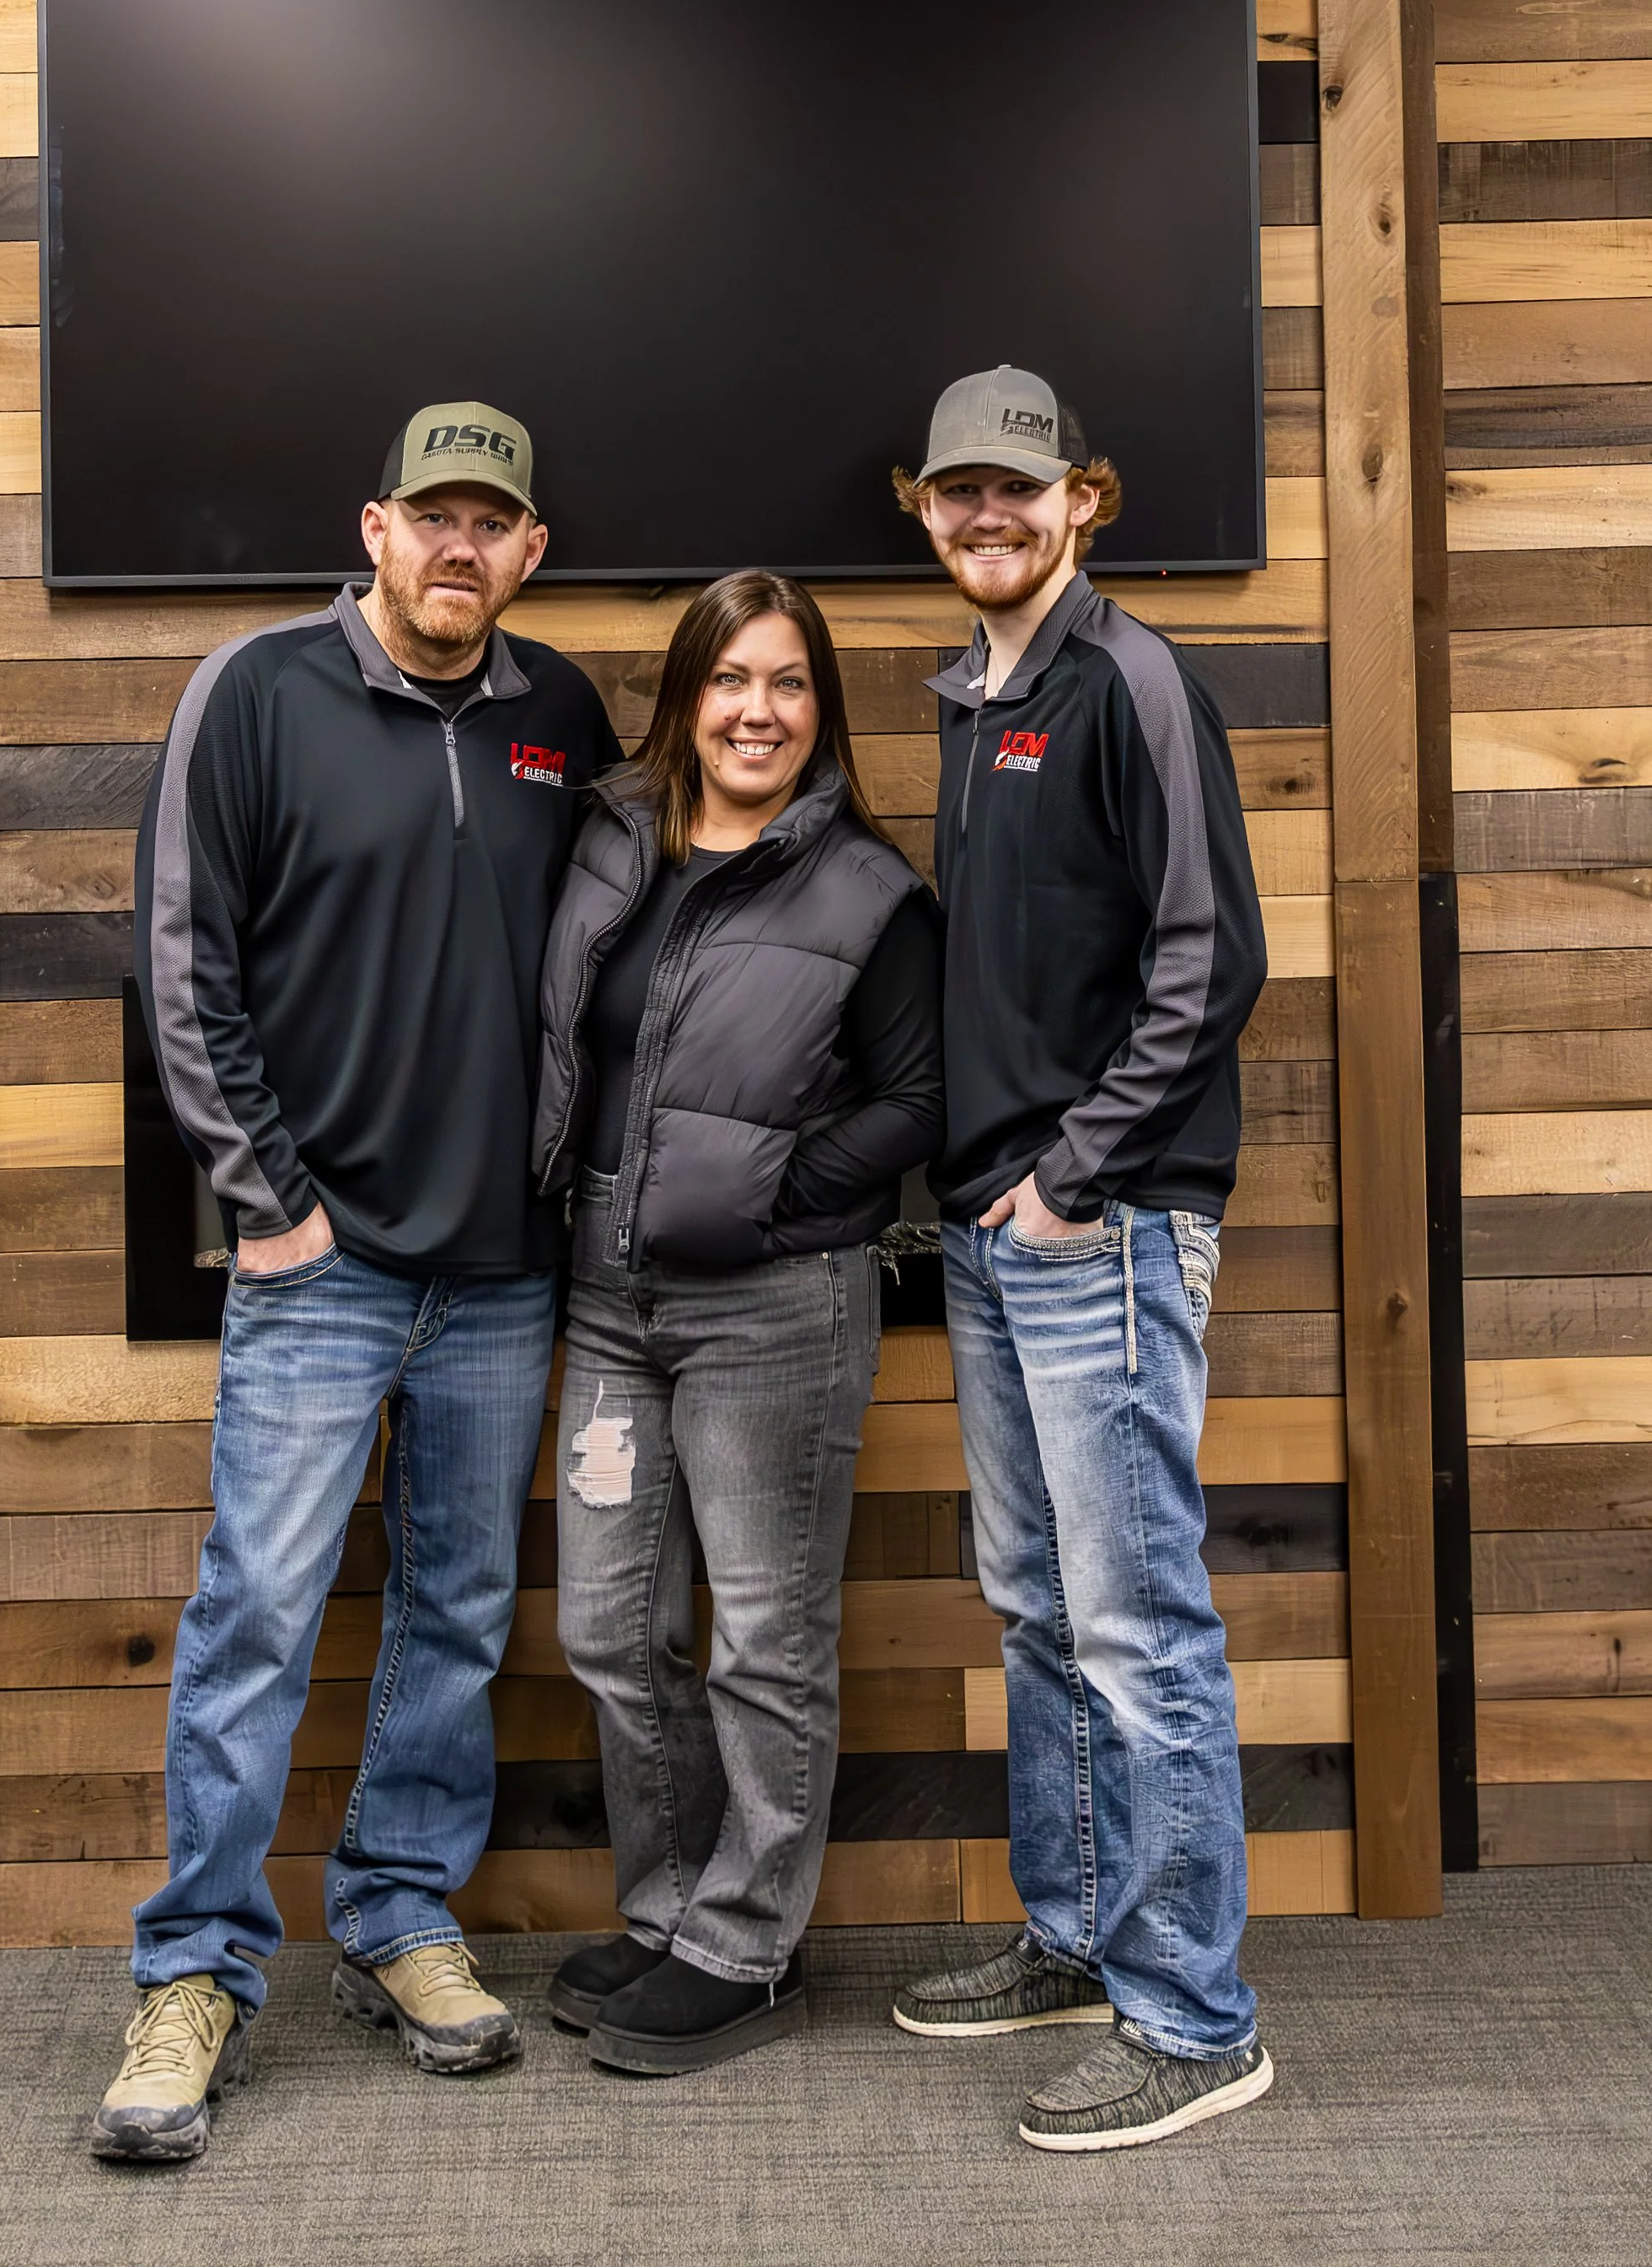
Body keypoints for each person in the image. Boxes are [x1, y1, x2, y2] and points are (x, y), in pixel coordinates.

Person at [90, 404, 620, 2162]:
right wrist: (266, 1201)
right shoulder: (252, 692)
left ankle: (395, 1912)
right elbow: (180, 961)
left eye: (497, 523)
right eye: (435, 517)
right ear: (376, 525)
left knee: (458, 1613)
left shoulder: (562, 716)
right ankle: (197, 1967)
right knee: (256, 1610)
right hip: (318, 1265)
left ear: (527, 550)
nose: (463, 547)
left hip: (501, 1271)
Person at [888, 365, 1273, 2153]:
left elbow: (1208, 960)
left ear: (1082, 501)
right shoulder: (974, 693)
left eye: (1016, 492)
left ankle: (1193, 2017)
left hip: (1096, 1225)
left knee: (1136, 1628)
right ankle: (1074, 1933)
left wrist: (1068, 1178)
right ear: (921, 506)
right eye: (956, 492)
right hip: (996, 1227)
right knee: (1040, 1606)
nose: (987, 516)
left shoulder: (1124, 677)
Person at [529, 569, 943, 2077]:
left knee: (761, 1642)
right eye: (728, 680)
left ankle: (746, 1943)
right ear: (684, 699)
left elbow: (917, 1097)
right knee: (610, 1629)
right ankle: (666, 1913)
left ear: (819, 710)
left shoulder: (870, 891)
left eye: (785, 683)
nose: (754, 711)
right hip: (609, 1299)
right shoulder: (610, 843)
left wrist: (771, 1197)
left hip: (775, 1313)